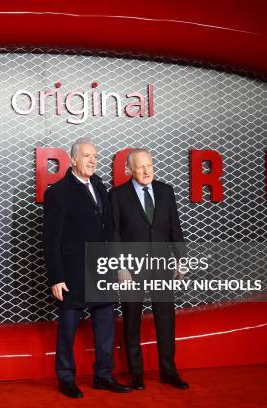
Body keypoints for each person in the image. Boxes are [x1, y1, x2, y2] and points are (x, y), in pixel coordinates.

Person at [43, 138, 132, 398]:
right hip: (72, 273)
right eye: (87, 156)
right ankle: (66, 378)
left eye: (95, 155)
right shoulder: (57, 193)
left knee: (105, 327)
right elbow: (51, 239)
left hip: (103, 268)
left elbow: (109, 229)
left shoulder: (99, 185)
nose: (93, 160)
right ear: (72, 160)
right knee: (67, 329)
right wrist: (56, 277)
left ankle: (103, 376)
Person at [109, 148, 189, 390]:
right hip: (131, 270)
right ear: (129, 170)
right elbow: (114, 235)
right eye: (141, 167)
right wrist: (120, 268)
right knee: (132, 319)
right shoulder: (117, 195)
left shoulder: (166, 192)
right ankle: (136, 374)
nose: (146, 171)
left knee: (166, 319)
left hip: (162, 267)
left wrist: (181, 258)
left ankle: (169, 371)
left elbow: (175, 227)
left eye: (150, 165)